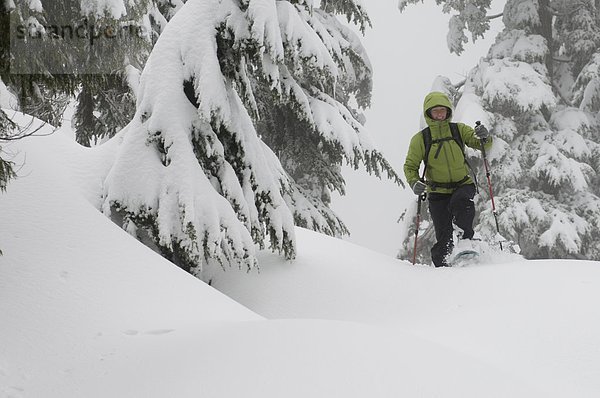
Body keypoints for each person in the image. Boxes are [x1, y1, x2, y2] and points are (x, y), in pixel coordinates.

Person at [403, 91, 492, 267]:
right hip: (438, 192)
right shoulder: (421, 139)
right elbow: (410, 166)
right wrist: (414, 183)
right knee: (444, 238)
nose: (440, 115)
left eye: (443, 110)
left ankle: (466, 242)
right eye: (435, 111)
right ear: (428, 113)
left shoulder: (458, 130)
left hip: (462, 184)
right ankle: (441, 270)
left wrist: (484, 136)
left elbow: (482, 144)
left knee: (461, 203)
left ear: (448, 111)